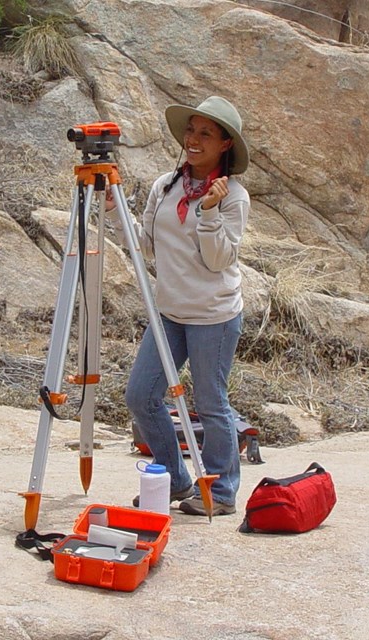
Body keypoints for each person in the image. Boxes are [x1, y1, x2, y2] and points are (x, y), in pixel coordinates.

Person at [118, 96, 250, 516]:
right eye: (191, 131)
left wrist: (209, 211)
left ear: (225, 144)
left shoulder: (234, 198)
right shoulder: (165, 186)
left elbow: (218, 260)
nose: (193, 140)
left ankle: (221, 491)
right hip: (169, 313)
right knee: (141, 395)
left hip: (213, 316)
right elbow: (147, 246)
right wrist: (113, 212)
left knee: (211, 404)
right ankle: (174, 479)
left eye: (205, 134)